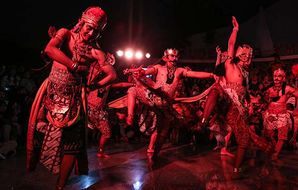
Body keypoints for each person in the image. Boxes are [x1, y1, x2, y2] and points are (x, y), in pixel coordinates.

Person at [26, 6, 116, 190]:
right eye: (88, 28)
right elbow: (50, 49)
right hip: (51, 93)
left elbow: (112, 75)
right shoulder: (65, 34)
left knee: (73, 144)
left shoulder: (95, 52)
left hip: (75, 99)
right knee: (38, 133)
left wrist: (93, 86)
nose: (90, 34)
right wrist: (74, 65)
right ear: (82, 23)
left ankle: (61, 185)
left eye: (96, 31)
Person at [124, 48, 215, 161]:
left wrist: (211, 75)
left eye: (176, 56)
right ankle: (130, 116)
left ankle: (155, 155)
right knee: (132, 90)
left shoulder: (180, 71)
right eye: (172, 56)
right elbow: (146, 71)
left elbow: (194, 74)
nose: (174, 58)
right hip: (152, 98)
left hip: (165, 105)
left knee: (163, 132)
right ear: (165, 58)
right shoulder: (158, 68)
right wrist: (140, 71)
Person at [222, 16, 273, 179]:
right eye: (246, 58)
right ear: (240, 56)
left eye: (250, 58)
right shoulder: (230, 65)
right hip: (229, 106)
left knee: (245, 139)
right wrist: (235, 29)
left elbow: (245, 92)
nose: (248, 61)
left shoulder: (245, 74)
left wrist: (251, 101)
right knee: (244, 140)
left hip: (241, 109)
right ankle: (236, 170)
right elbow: (230, 45)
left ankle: (237, 168)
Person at [87, 54, 132, 158]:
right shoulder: (93, 77)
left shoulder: (108, 82)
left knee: (107, 133)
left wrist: (133, 85)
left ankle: (100, 151)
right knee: (92, 132)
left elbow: (121, 85)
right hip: (88, 107)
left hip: (98, 110)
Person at [263, 67, 298, 160]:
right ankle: (274, 150)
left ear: (283, 78)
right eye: (275, 76)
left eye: (279, 76)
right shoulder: (269, 88)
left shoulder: (288, 88)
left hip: (282, 114)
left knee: (282, 135)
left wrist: (297, 108)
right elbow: (265, 100)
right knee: (269, 134)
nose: (276, 78)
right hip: (270, 113)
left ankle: (275, 154)